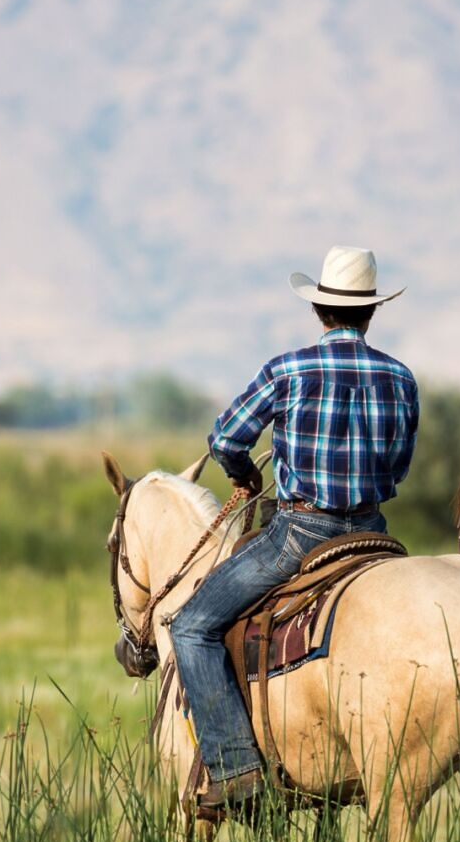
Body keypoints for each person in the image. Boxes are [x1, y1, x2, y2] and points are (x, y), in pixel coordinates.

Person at [170, 246, 420, 811]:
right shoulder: (401, 377)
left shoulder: (287, 369)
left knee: (191, 627)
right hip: (374, 534)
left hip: (302, 531)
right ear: (372, 312)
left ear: (320, 311)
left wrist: (242, 475)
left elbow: (226, 439)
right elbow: (400, 465)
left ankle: (236, 771)